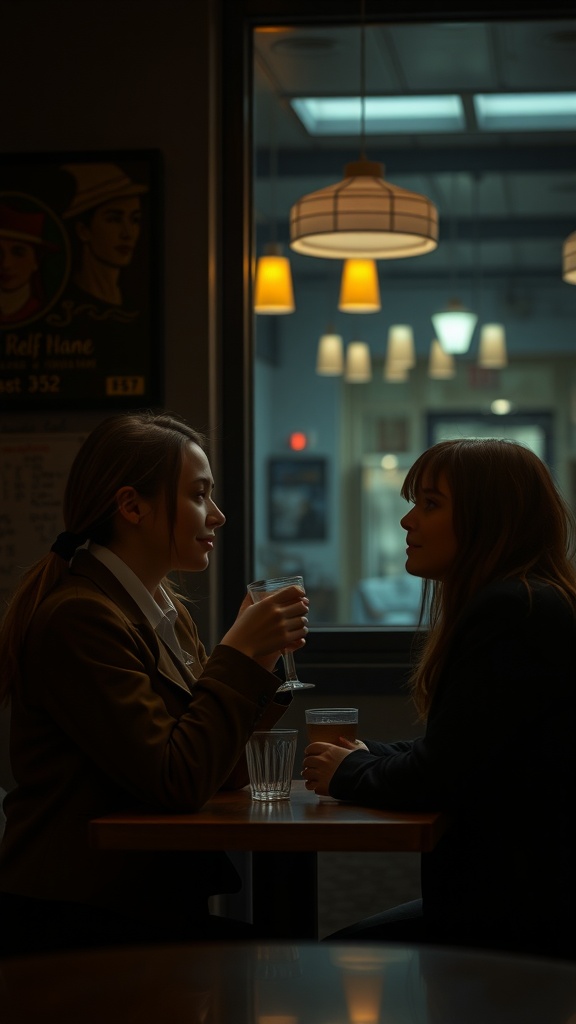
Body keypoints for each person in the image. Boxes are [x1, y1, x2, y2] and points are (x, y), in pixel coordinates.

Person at [0, 410, 309, 957]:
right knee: (287, 965)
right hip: (78, 916)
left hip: (137, 903)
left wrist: (259, 659)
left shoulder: (165, 611)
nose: (217, 515)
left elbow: (221, 771)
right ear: (132, 506)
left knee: (290, 961)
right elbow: (177, 780)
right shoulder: (79, 617)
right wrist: (238, 655)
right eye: (198, 495)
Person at [302, 437, 576, 959]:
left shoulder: (514, 611)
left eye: (430, 504)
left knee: (329, 962)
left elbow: (440, 776)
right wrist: (368, 754)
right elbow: (468, 751)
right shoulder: (532, 600)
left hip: (519, 921)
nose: (407, 521)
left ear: (487, 519)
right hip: (530, 901)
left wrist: (348, 772)